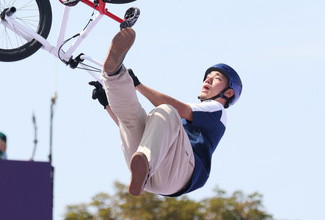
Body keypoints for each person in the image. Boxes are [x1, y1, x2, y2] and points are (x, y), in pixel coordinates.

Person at [90, 27, 242, 197]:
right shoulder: (173, 129)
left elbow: (180, 108)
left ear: (228, 93)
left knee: (166, 111)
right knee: (134, 118)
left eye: (217, 78)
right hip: (154, 178)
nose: (208, 79)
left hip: (180, 174)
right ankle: (114, 75)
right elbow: (130, 128)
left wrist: (138, 85)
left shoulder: (217, 110)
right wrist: (107, 104)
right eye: (208, 76)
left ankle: (117, 77)